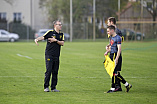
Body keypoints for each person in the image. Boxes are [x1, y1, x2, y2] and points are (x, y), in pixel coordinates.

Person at [34, 20, 64, 92]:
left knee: (55, 71)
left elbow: (62, 43)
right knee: (49, 70)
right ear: (55, 26)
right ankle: (46, 87)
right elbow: (43, 37)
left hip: (57, 55)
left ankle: (53, 87)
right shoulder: (50, 32)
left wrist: (55, 40)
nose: (60, 26)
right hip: (49, 55)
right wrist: (37, 39)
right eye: (59, 24)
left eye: (61, 24)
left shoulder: (61, 34)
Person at [104, 25, 132, 93]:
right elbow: (112, 47)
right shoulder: (111, 37)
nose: (107, 32)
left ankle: (112, 88)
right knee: (115, 73)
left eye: (108, 31)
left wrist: (116, 58)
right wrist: (107, 51)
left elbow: (119, 49)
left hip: (116, 56)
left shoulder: (118, 38)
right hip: (111, 55)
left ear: (112, 30)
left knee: (114, 73)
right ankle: (127, 85)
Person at [105, 17, 124, 91]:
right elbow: (112, 41)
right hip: (112, 52)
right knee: (114, 71)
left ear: (112, 22)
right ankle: (118, 86)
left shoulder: (117, 31)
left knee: (115, 71)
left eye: (108, 22)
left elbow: (118, 43)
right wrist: (109, 46)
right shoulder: (111, 30)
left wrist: (112, 50)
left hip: (115, 53)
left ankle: (119, 85)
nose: (107, 23)